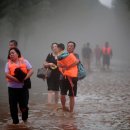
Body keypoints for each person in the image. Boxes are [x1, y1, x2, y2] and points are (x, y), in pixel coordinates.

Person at [5, 48, 33, 124]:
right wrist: (16, 80)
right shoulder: (8, 64)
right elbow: (7, 74)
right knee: (13, 107)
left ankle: (25, 121)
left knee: (24, 106)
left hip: (23, 88)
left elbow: (31, 70)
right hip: (12, 88)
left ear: (18, 53)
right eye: (10, 53)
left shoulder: (25, 61)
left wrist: (25, 78)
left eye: (13, 53)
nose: (11, 55)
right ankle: (15, 123)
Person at [57, 43, 78, 113]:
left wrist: (67, 66)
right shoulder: (62, 55)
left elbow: (77, 62)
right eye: (68, 46)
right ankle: (63, 107)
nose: (69, 47)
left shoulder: (76, 55)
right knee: (62, 94)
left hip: (73, 78)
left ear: (74, 48)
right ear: (66, 47)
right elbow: (58, 64)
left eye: (71, 46)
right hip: (63, 77)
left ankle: (71, 112)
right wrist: (63, 67)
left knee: (72, 96)